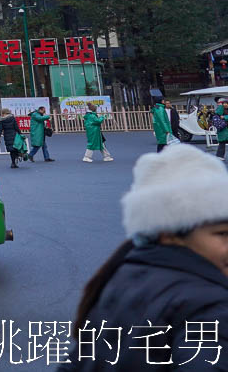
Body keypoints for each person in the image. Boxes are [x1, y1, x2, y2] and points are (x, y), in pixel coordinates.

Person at [65, 143, 228, 369]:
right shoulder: (207, 304)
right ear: (168, 234)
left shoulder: (122, 274)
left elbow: (76, 363)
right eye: (222, 234)